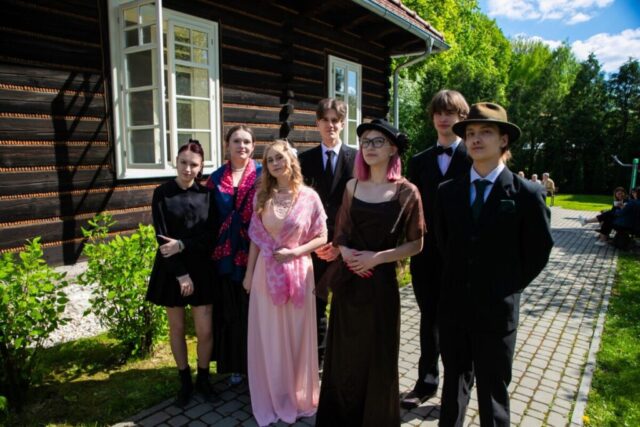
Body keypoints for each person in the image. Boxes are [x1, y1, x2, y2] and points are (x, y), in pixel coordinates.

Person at [435, 103, 553, 426]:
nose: (475, 139)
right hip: (454, 308)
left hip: (497, 311)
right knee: (453, 386)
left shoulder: (527, 194)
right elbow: (445, 243)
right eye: (470, 133)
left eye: (485, 132)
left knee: (493, 393)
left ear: (503, 140)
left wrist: (506, 284)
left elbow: (539, 250)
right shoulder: (448, 192)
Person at [315, 119, 425, 426]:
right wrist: (345, 252)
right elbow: (341, 233)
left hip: (381, 286)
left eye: (378, 141)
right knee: (344, 356)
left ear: (393, 149)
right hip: (349, 284)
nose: (370, 147)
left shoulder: (407, 192)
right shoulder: (352, 186)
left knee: (377, 355)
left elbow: (416, 244)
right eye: (365, 142)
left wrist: (377, 258)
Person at [244, 140, 327, 426]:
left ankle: (296, 393)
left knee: (296, 334)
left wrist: (295, 252)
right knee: (270, 335)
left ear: (291, 160)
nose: (275, 163)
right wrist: (248, 273)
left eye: (280, 157)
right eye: (270, 160)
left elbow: (322, 236)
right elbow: (256, 239)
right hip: (265, 274)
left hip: (299, 273)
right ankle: (274, 393)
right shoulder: (261, 197)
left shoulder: (309, 197)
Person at [403, 89, 471, 409]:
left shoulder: (474, 158)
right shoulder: (418, 162)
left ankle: (457, 391)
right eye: (439, 113)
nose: (444, 118)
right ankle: (426, 382)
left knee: (459, 323)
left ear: (461, 117)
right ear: (432, 118)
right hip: (425, 256)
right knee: (429, 320)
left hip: (461, 257)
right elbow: (410, 209)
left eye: (450, 113)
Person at [146, 139, 218, 407]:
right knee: (176, 328)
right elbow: (162, 238)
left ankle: (203, 379)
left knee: (205, 331)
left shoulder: (207, 195)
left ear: (201, 167)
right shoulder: (162, 193)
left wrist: (184, 244)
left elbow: (211, 236)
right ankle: (185, 381)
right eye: (183, 163)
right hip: (171, 270)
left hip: (202, 269)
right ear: (175, 162)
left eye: (194, 165)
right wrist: (180, 274)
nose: (188, 169)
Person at [298, 98, 356, 365]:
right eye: (325, 120)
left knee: (346, 304)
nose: (330, 125)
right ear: (317, 123)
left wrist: (340, 243)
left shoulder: (357, 159)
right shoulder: (304, 159)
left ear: (342, 124)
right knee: (316, 303)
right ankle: (319, 360)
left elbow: (359, 206)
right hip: (315, 244)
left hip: (347, 243)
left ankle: (343, 358)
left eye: (335, 120)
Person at [206, 125, 261, 386]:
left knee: (253, 311)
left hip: (256, 251)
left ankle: (256, 366)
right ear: (227, 145)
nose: (242, 146)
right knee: (229, 310)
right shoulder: (215, 178)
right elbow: (208, 216)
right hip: (224, 254)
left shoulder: (263, 175)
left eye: (247, 141)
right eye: (236, 141)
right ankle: (235, 366)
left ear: (253, 146)